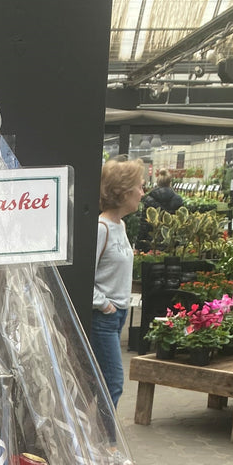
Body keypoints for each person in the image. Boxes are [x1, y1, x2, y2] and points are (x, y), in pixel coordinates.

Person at [91, 157, 144, 409]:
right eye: (139, 187)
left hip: (118, 314)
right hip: (104, 317)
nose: (142, 193)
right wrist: (103, 304)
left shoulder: (120, 225)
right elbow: (86, 275)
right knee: (113, 382)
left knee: (100, 383)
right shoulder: (102, 228)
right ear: (124, 192)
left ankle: (94, 430)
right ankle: (106, 435)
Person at [136, 169, 183, 250]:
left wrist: (139, 244)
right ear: (170, 183)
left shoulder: (149, 199)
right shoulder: (178, 200)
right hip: (171, 243)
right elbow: (181, 223)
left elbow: (144, 224)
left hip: (152, 243)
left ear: (158, 183)